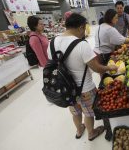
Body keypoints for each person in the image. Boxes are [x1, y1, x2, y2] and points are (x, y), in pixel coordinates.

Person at [47, 13, 117, 141]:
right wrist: (109, 68)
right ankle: (91, 133)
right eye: (84, 28)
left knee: (74, 110)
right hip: (84, 88)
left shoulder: (52, 42)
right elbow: (95, 68)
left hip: (65, 87)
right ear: (80, 27)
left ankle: (79, 130)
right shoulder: (81, 44)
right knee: (89, 113)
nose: (84, 32)